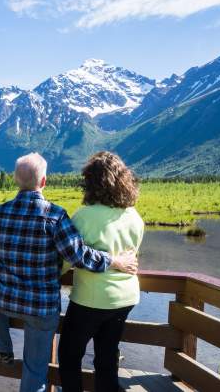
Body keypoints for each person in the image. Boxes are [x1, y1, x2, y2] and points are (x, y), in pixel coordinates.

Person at [0, 153, 138, 392]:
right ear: (44, 181)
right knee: (35, 370)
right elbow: (78, 256)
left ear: (16, 179)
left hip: (7, 299)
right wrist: (114, 261)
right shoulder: (55, 216)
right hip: (41, 308)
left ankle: (3, 349)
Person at [58, 152, 144, 392]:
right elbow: (132, 255)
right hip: (125, 298)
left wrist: (51, 273)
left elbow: (68, 256)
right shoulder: (134, 217)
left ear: (91, 182)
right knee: (106, 359)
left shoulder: (84, 216)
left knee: (69, 356)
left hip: (91, 299)